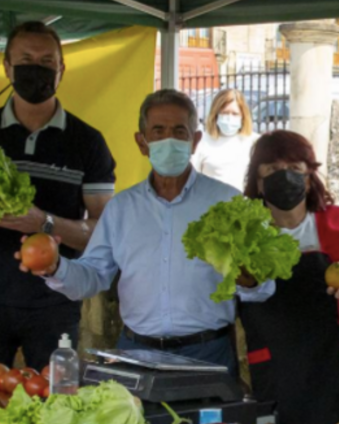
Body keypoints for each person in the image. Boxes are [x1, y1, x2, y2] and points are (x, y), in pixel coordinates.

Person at [19, 90, 241, 375]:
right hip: (137, 353)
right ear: (142, 142)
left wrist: (250, 279)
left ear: (195, 140)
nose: (168, 139)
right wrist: (55, 267)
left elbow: (259, 288)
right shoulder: (121, 208)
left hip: (209, 353)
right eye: (158, 131)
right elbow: (93, 276)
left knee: (211, 423)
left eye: (179, 131)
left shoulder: (227, 203)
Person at [0, 21, 116, 371]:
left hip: (55, 302)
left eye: (47, 61)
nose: (36, 68)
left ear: (61, 70)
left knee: (53, 405)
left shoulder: (88, 141)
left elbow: (104, 230)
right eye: (26, 59)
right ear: (7, 67)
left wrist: (46, 224)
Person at [237, 131, 339, 424]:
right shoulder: (243, 238)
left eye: (295, 168)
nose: (284, 177)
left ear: (310, 177)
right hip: (280, 378)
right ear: (258, 183)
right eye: (272, 170)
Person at [192, 88, 257, 191]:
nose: (229, 117)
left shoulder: (254, 141)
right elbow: (193, 179)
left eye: (235, 114)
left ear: (243, 116)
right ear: (215, 115)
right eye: (225, 113)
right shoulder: (202, 141)